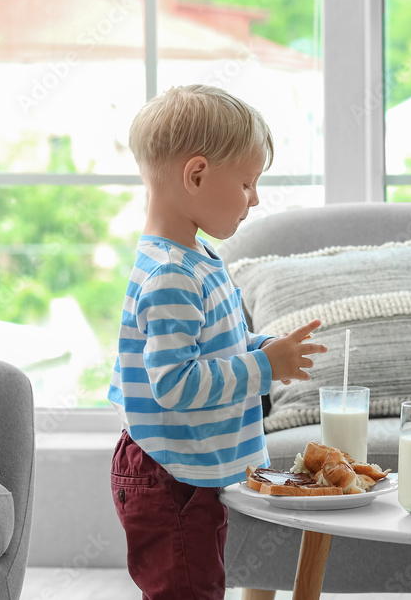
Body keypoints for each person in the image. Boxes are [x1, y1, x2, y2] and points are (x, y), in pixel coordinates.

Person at [108, 84, 327, 599]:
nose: (256, 198)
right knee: (188, 590)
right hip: (169, 477)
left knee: (201, 583)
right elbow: (176, 384)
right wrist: (263, 368)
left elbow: (211, 345)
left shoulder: (194, 260)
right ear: (197, 175)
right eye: (248, 183)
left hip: (184, 471)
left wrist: (263, 349)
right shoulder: (171, 277)